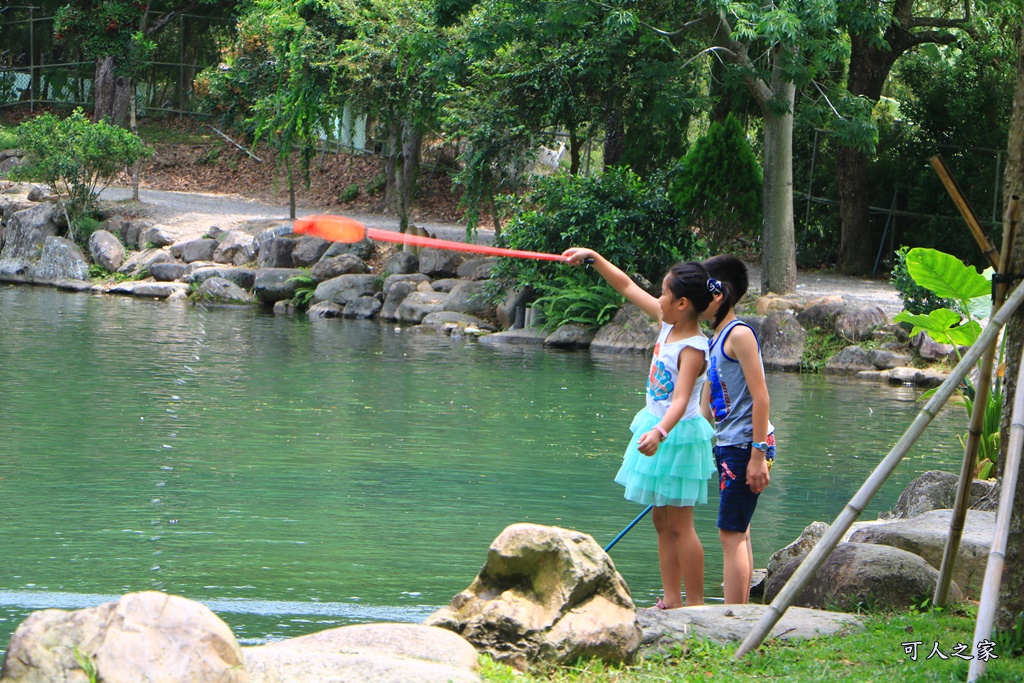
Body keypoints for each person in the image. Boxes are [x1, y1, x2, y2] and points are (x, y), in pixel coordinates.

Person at [563, 247, 718, 608]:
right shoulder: (668, 322)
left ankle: (695, 605)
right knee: (661, 522)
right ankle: (670, 599)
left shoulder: (693, 347)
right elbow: (628, 286)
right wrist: (594, 258)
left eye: (664, 293)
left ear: (681, 303)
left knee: (682, 524)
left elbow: (681, 400)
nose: (658, 298)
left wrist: (660, 432)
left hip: (677, 437)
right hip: (657, 428)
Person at [700, 255, 775, 604]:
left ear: (717, 294)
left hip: (747, 445)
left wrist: (758, 456)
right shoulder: (714, 339)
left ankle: (732, 618)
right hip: (730, 444)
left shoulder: (739, 334)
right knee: (738, 530)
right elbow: (708, 402)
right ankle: (741, 613)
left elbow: (761, 398)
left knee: (730, 533)